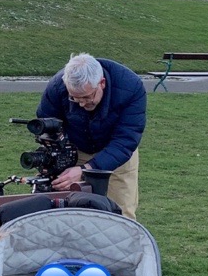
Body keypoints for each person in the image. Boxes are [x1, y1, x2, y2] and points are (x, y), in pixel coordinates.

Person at [36, 53, 146, 220]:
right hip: (74, 148)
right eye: (74, 98)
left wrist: (85, 170)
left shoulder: (131, 86)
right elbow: (46, 124)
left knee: (121, 214)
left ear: (101, 83)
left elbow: (125, 141)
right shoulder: (57, 87)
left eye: (87, 97)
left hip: (117, 154)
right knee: (66, 211)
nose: (81, 104)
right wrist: (56, 156)